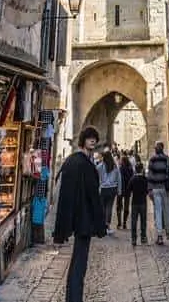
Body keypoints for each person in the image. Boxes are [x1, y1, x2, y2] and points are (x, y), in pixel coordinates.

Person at [53, 127, 107, 302]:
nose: (93, 141)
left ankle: (73, 297)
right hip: (83, 219)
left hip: (79, 218)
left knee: (78, 261)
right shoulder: (83, 163)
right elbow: (92, 194)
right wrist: (99, 223)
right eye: (90, 138)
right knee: (80, 263)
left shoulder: (74, 161)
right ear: (83, 140)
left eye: (94, 139)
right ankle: (75, 298)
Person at [146, 141, 169, 244]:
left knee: (158, 211)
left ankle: (159, 235)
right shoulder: (167, 159)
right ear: (163, 148)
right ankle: (168, 231)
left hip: (156, 188)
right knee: (166, 210)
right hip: (165, 188)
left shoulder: (152, 160)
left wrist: (149, 189)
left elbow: (149, 175)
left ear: (155, 149)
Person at [127, 163, 149, 246]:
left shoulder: (132, 179)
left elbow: (128, 190)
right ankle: (143, 237)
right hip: (143, 202)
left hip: (134, 203)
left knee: (134, 221)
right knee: (143, 221)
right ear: (142, 169)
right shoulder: (145, 179)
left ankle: (134, 239)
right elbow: (147, 190)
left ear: (135, 169)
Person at [97, 150, 119, 231]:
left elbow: (96, 176)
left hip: (103, 189)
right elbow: (118, 178)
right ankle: (107, 225)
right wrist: (119, 189)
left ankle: (102, 224)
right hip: (112, 189)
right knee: (109, 207)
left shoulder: (100, 166)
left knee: (102, 207)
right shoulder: (114, 166)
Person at [116, 153, 134, 229]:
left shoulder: (119, 169)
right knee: (126, 207)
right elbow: (132, 179)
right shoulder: (130, 169)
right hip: (127, 190)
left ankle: (119, 222)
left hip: (120, 189)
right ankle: (124, 223)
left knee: (119, 206)